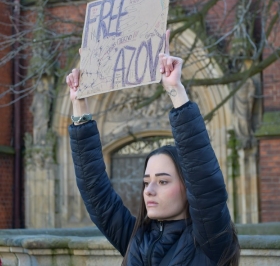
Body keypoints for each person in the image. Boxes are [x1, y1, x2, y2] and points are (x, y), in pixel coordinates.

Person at [66, 30, 240, 265]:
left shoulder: (210, 240)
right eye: (147, 182)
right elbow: (94, 189)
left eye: (163, 181)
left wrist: (175, 89)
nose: (148, 190)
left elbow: (204, 178)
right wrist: (79, 107)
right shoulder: (134, 238)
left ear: (188, 188)